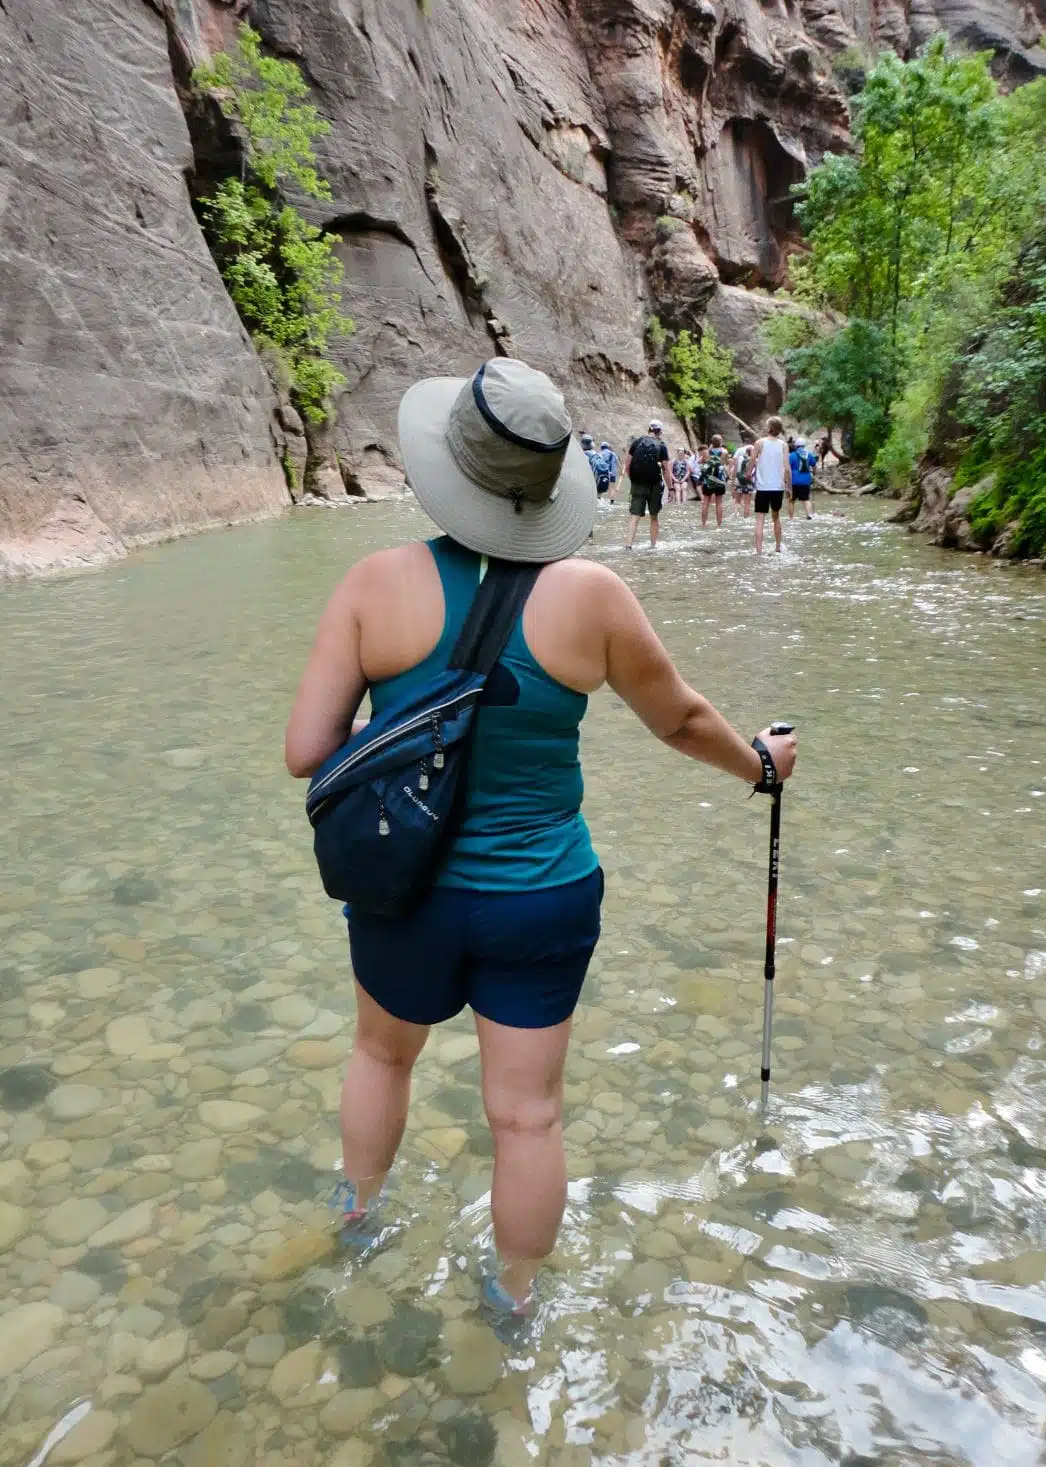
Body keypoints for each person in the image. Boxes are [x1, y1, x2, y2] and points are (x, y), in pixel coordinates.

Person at [284, 357, 798, 1322]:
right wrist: (762, 766)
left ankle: (356, 1219)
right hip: (541, 896)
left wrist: (408, 723)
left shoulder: (373, 585)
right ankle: (513, 1302)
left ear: (449, 468)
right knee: (526, 1117)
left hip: (406, 890)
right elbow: (682, 722)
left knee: (382, 1056)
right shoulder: (593, 597)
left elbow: (306, 751)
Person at [624, 420, 673, 549]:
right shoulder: (661, 446)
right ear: (660, 432)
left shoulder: (637, 442)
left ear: (649, 429)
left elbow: (627, 466)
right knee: (654, 517)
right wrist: (671, 488)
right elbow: (666, 470)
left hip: (637, 484)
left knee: (634, 517)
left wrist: (633, 480)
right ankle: (652, 546)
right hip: (655, 485)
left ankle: (628, 545)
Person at [751, 416, 790, 555]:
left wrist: (748, 474)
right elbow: (787, 468)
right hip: (777, 487)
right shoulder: (783, 445)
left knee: (760, 518)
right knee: (776, 517)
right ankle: (778, 547)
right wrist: (789, 487)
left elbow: (751, 461)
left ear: (769, 428)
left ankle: (759, 552)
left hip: (762, 487)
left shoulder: (759, 443)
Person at [698, 434, 731, 529]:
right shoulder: (724, 452)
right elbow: (726, 463)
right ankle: (719, 525)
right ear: (721, 442)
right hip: (719, 479)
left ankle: (703, 524)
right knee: (719, 502)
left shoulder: (706, 452)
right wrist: (729, 476)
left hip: (708, 480)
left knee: (705, 502)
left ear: (711, 442)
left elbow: (700, 462)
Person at [789, 435, 815, 520]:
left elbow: (787, 467)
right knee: (806, 500)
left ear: (796, 446)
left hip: (794, 481)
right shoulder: (809, 454)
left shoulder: (792, 455)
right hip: (805, 481)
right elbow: (813, 464)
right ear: (804, 445)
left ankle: (791, 518)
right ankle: (809, 515)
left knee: (791, 500)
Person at [580, 432, 611, 502]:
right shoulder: (598, 455)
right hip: (600, 483)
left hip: (589, 485)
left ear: (582, 444)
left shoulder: (583, 455)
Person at [732, 440, 754, 517]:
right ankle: (746, 518)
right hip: (749, 482)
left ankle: (736, 516)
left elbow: (735, 470)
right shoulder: (754, 460)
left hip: (739, 481)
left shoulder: (740, 458)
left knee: (737, 501)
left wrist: (733, 481)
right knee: (747, 503)